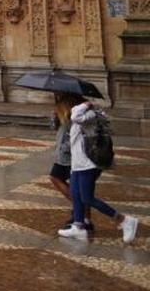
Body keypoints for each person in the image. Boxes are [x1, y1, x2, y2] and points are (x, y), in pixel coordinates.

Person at [58, 101, 139, 244]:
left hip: (87, 165)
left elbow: (76, 116)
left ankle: (125, 220)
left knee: (87, 198)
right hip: (77, 165)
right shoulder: (80, 117)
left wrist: (85, 104)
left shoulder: (89, 115)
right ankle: (78, 227)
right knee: (76, 196)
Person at [49, 93, 89, 231]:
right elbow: (55, 129)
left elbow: (75, 138)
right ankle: (83, 217)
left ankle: (80, 212)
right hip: (65, 157)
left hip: (71, 158)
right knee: (77, 189)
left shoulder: (75, 116)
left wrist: (64, 148)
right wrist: (54, 118)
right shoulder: (64, 114)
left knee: (58, 178)